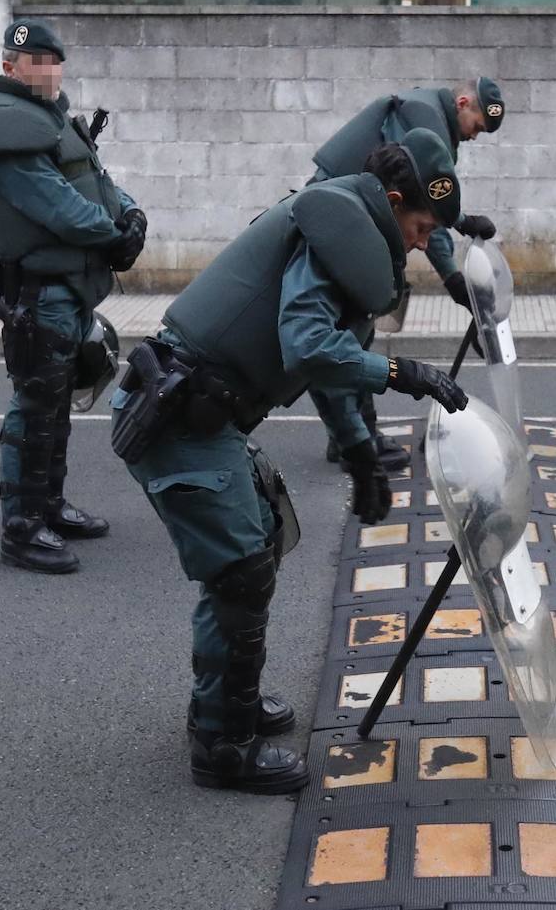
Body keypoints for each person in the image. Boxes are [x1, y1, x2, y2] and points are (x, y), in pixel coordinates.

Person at [112, 128, 469, 794]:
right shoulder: (337, 227)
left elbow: (326, 356)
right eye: (420, 226)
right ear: (393, 202)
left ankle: (222, 703)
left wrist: (361, 451)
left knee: (255, 549)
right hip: (182, 417)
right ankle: (224, 746)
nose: (422, 243)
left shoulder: (345, 228)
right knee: (240, 572)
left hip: (204, 412)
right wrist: (401, 371)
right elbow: (307, 345)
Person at [0, 17, 148, 575]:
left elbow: (95, 181)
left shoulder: (50, 119)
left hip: (67, 289)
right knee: (35, 408)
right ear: (9, 68)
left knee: (59, 404)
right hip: (41, 293)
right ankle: (21, 529)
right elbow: (55, 205)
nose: (46, 69)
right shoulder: (4, 129)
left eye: (52, 60)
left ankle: (49, 505)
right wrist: (114, 235)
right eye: (33, 61)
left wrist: (131, 212)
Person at [307, 78, 505, 470]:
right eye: (478, 126)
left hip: (347, 218)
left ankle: (351, 437)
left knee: (352, 330)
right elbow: (407, 193)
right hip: (338, 222)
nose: (475, 137)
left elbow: (423, 211)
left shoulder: (431, 121)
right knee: (347, 331)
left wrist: (459, 232)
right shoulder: (422, 120)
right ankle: (355, 440)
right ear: (463, 103)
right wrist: (451, 275)